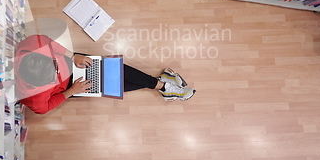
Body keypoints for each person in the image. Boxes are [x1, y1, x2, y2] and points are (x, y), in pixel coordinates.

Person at [15, 35, 196, 114]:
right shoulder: (32, 98)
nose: (59, 72)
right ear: (38, 86)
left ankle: (164, 86)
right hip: (73, 86)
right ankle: (165, 86)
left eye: (54, 65)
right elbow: (45, 107)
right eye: (54, 78)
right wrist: (70, 91)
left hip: (75, 61)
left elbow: (46, 41)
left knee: (116, 70)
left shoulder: (32, 45)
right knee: (112, 84)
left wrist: (72, 56)